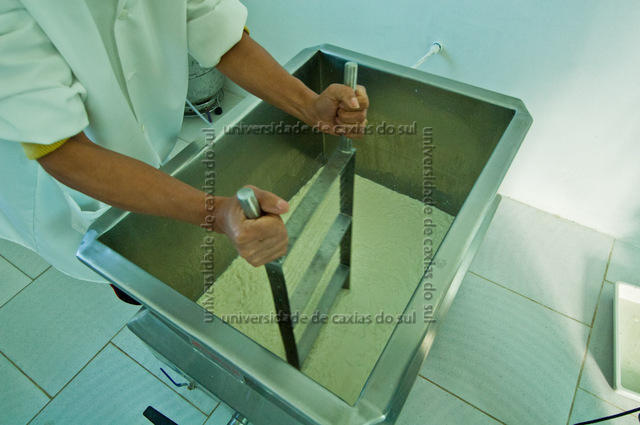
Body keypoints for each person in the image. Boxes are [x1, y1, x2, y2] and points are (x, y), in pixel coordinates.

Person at [0, 0, 369, 302]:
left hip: (140, 138)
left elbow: (213, 25)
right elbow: (62, 150)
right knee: (127, 264)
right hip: (61, 175)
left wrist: (309, 106)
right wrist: (216, 213)